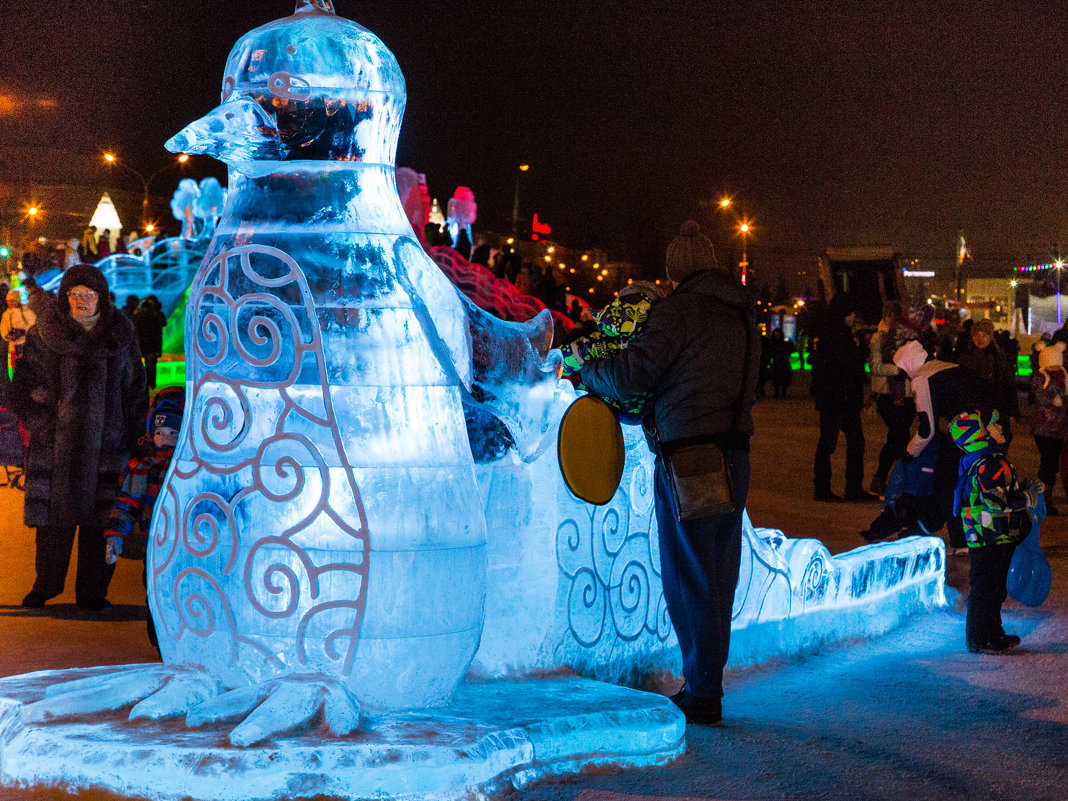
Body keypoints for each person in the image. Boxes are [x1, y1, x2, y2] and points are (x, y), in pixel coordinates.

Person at [580, 220, 758, 726]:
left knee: (689, 578)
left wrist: (587, 367)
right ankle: (706, 683)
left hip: (690, 458)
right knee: (718, 577)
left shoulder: (679, 312)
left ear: (674, 269)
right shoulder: (743, 313)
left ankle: (703, 693)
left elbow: (632, 373)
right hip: (735, 454)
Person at [9, 264, 148, 611]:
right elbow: (21, 389)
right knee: (54, 526)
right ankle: (45, 585)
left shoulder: (120, 335)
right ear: (65, 297)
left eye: (89, 295)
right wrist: (42, 425)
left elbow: (135, 390)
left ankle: (92, 592)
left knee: (101, 523)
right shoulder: (46, 335)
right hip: (57, 448)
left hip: (107, 447)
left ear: (101, 298)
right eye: (75, 295)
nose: (82, 301)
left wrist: (136, 438)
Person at [949, 410, 1041, 654]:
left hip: (996, 534)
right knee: (986, 587)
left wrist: (1026, 488)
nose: (1000, 427)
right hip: (987, 535)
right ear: (980, 437)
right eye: (992, 426)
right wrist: (1024, 498)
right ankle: (980, 638)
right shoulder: (988, 464)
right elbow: (995, 501)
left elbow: (1003, 489)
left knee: (996, 587)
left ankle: (992, 632)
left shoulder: (991, 460)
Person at [893, 339, 993, 555]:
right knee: (973, 483)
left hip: (966, 432)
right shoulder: (946, 366)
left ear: (909, 364)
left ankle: (962, 540)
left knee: (946, 482)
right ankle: (976, 536)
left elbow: (926, 429)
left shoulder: (922, 378)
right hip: (988, 425)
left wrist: (910, 452)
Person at [105, 387, 184, 649]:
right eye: (160, 433)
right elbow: (126, 503)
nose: (165, 439)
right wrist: (115, 536)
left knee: (182, 592)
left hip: (185, 549)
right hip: (152, 548)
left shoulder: (186, 469)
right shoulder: (142, 468)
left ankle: (180, 638)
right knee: (154, 591)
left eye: (173, 433)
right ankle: (159, 638)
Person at [810, 294, 875, 502]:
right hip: (839, 400)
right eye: (851, 312)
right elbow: (846, 364)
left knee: (843, 443)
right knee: (836, 443)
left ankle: (836, 488)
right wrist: (862, 348)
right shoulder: (837, 335)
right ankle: (836, 488)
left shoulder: (834, 333)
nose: (853, 316)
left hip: (838, 399)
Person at [868, 304, 916, 495]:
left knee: (899, 438)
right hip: (887, 395)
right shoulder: (880, 338)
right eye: (895, 318)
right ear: (888, 317)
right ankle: (885, 477)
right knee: (899, 435)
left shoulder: (910, 340)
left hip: (907, 396)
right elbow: (875, 366)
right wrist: (899, 369)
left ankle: (889, 478)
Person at [954, 319, 1018, 446]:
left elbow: (1009, 385)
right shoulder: (965, 358)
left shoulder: (999, 357)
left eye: (984, 335)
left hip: (997, 408)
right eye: (977, 335)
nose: (980, 339)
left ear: (990, 337)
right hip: (973, 411)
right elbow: (960, 386)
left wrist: (1012, 412)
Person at [1030, 341, 1067, 515]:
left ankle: (1045, 499)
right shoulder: (1040, 377)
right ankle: (1044, 500)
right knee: (1048, 464)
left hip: (1060, 429)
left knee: (1051, 464)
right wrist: (1054, 399)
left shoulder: (1064, 376)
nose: (1054, 368)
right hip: (1044, 429)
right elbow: (1038, 395)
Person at [133, 295, 167, 389]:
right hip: (152, 345)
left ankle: (145, 384)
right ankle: (151, 383)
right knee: (151, 365)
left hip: (143, 344)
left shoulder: (138, 316)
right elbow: (159, 330)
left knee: (142, 365)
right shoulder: (155, 315)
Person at [1, 289, 37, 373]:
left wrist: (24, 331)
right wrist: (8, 336)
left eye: (12, 301)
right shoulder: (6, 314)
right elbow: (3, 328)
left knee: (28, 366)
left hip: (26, 344)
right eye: (8, 301)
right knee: (13, 368)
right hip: (13, 346)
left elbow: (32, 323)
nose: (10, 303)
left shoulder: (26, 311)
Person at [768, 328, 794, 398]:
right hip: (777, 362)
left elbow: (789, 351)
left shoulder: (783, 343)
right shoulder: (773, 343)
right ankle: (777, 393)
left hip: (783, 362)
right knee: (776, 378)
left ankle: (783, 393)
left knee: (783, 378)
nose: (777, 335)